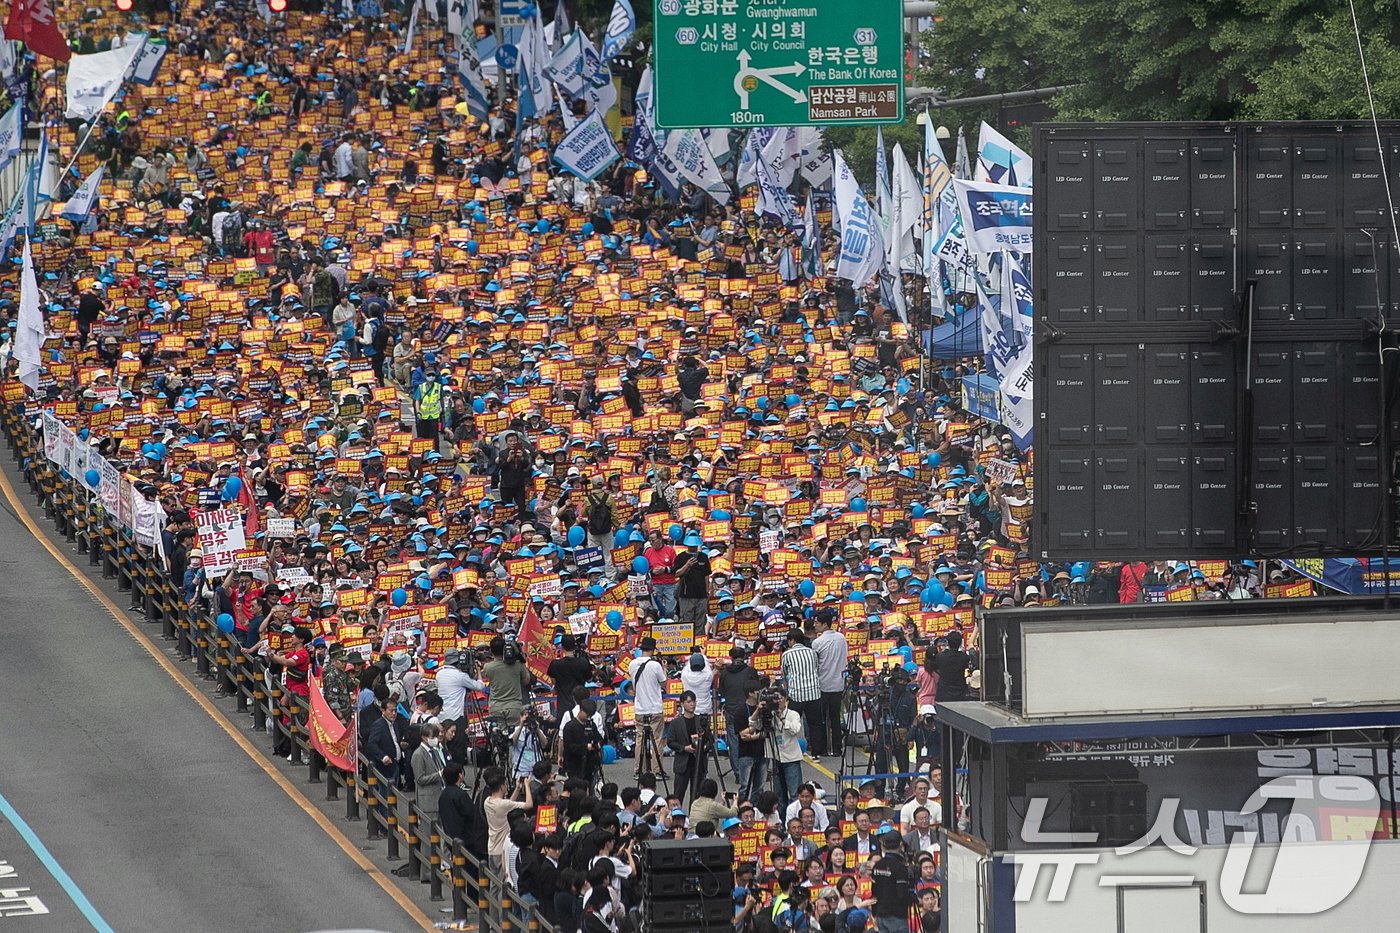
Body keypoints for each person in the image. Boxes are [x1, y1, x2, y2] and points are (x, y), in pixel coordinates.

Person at [811, 609, 849, 757]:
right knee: (835, 718)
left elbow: (815, 664)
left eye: (817, 623)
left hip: (822, 683)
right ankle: (837, 748)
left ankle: (824, 749)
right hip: (838, 683)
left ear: (825, 624)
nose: (814, 625)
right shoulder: (841, 638)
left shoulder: (817, 642)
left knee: (822, 719)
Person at [627, 636, 667, 780]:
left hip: (639, 707)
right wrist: (665, 668)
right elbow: (663, 683)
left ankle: (638, 770)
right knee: (657, 739)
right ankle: (657, 770)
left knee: (640, 739)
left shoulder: (632, 664)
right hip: (654, 707)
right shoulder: (655, 665)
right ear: (653, 649)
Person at [483, 767, 534, 868]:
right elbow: (529, 804)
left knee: (493, 880)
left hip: (491, 846)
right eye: (505, 784)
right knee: (502, 881)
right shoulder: (502, 804)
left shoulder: (487, 801)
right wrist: (527, 786)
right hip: (501, 849)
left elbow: (508, 804)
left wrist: (517, 788)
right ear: (502, 787)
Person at [780, 628, 822, 746]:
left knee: (793, 722)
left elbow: (783, 674)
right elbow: (816, 670)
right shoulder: (812, 652)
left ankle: (794, 747)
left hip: (796, 694)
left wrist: (786, 690)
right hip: (814, 693)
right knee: (815, 725)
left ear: (792, 641)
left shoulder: (787, 654)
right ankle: (816, 753)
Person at [869, 828, 915, 933]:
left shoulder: (877, 865)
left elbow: (874, 892)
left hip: (881, 915)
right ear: (900, 844)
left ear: (884, 845)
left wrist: (875, 913)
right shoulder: (900, 867)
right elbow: (902, 894)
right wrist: (913, 898)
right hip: (897, 916)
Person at [482, 635, 533, 728]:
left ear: (491, 651)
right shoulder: (517, 665)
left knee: (498, 737)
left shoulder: (488, 667)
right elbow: (526, 680)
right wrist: (520, 658)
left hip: (496, 707)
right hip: (514, 707)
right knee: (515, 736)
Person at [664, 689, 704, 803]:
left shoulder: (700, 720)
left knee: (697, 797)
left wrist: (702, 747)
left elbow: (708, 740)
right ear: (682, 704)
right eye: (689, 701)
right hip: (682, 764)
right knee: (678, 795)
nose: (692, 704)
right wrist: (684, 748)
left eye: (694, 701)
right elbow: (670, 742)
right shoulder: (676, 723)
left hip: (698, 763)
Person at [732, 684, 769, 803]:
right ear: (750, 693)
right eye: (758, 691)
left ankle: (756, 812)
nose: (760, 693)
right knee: (745, 787)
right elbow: (742, 735)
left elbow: (767, 731)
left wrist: (753, 736)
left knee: (759, 788)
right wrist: (756, 728)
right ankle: (742, 811)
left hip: (763, 752)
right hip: (746, 754)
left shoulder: (766, 709)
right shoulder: (740, 711)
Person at [771, 689, 806, 813]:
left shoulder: (793, 714)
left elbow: (795, 730)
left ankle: (796, 821)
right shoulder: (770, 714)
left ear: (786, 699)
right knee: (779, 797)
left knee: (794, 794)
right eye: (774, 698)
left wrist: (782, 718)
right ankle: (781, 822)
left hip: (791, 759)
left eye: (779, 698)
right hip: (776, 758)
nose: (777, 701)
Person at [547, 635, 593, 719]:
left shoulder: (555, 664)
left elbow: (553, 681)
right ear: (575, 647)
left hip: (563, 706)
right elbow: (589, 680)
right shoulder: (583, 662)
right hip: (580, 707)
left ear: (562, 647)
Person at [673, 534, 711, 629]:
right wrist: (687, 565)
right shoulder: (680, 557)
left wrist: (707, 591)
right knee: (686, 621)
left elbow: (706, 575)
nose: (693, 547)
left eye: (694, 545)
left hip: (701, 595)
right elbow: (676, 574)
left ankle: (699, 641)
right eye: (691, 545)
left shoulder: (703, 557)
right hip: (686, 595)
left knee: (700, 621)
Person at [562, 698, 602, 783]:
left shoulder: (592, 725)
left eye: (590, 715)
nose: (588, 717)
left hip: (589, 765)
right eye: (587, 714)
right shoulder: (570, 726)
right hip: (574, 766)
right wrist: (585, 747)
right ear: (581, 710)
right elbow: (568, 747)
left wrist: (598, 744)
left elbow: (598, 738)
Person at [643, 528, 677, 618]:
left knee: (670, 611)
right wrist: (652, 572)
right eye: (650, 541)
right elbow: (644, 570)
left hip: (669, 584)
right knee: (656, 610)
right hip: (655, 584)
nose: (651, 543)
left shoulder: (670, 550)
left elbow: (676, 567)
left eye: (653, 540)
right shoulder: (648, 552)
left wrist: (664, 569)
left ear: (660, 539)